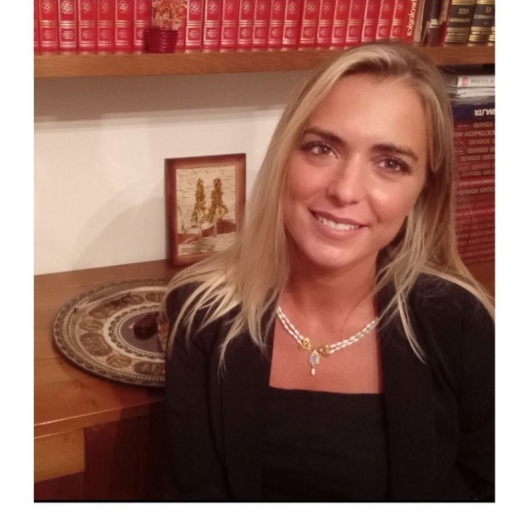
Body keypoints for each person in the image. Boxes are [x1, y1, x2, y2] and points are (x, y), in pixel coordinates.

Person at [160, 40, 494, 501]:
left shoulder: (460, 322)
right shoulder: (202, 314)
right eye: (322, 148)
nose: (345, 190)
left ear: (424, 190)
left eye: (391, 163)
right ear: (285, 157)